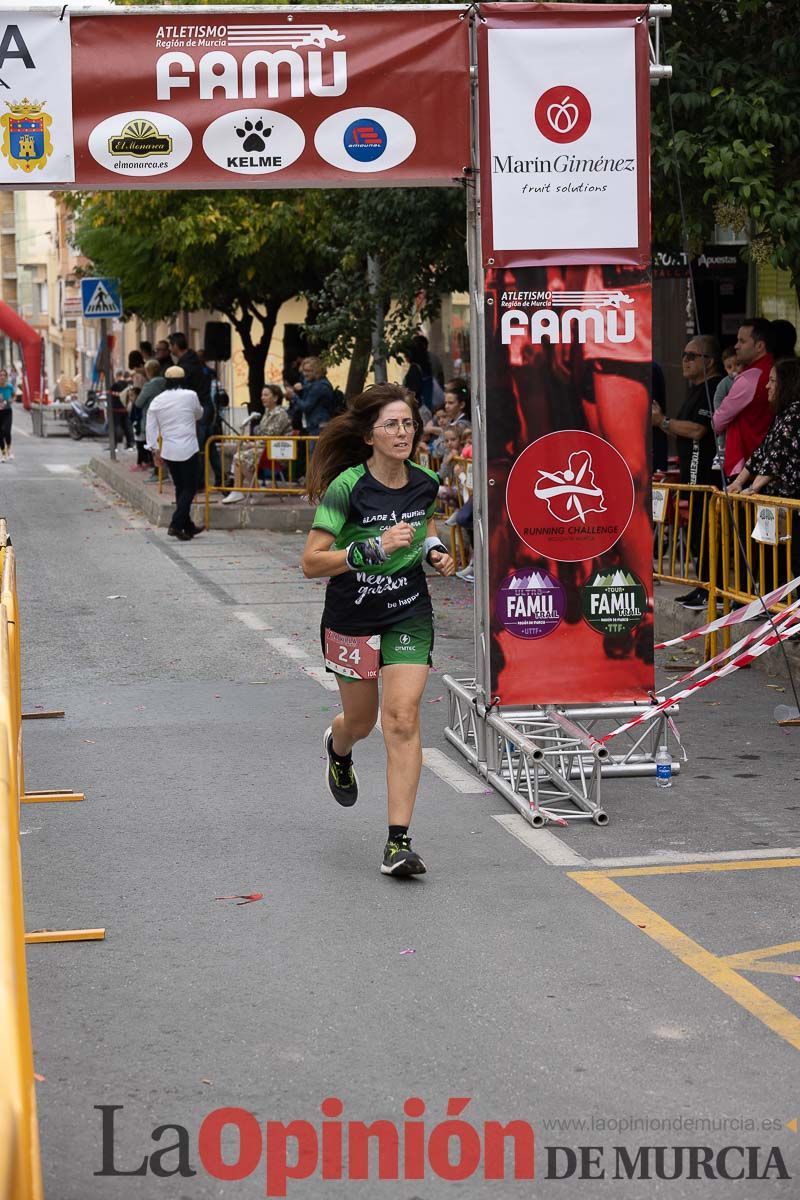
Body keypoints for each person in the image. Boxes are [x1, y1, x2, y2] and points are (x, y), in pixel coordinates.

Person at [301, 383, 455, 877]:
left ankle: (398, 844)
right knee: (362, 722)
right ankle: (338, 746)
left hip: (407, 610)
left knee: (403, 717)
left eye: (408, 423)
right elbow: (310, 562)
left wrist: (433, 550)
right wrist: (371, 549)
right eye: (391, 424)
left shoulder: (426, 481)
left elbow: (424, 524)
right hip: (352, 614)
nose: (403, 431)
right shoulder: (347, 488)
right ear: (369, 434)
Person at [651, 334, 723, 609]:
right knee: (695, 533)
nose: (685, 360)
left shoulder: (712, 387)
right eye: (683, 354)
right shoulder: (694, 390)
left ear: (710, 361)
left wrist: (663, 421)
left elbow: (697, 429)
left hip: (707, 475)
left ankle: (713, 588)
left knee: (706, 531)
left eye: (692, 356)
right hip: (691, 476)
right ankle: (703, 585)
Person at [145, 366, 204, 541]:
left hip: (169, 450)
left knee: (180, 487)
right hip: (189, 448)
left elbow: (151, 427)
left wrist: (154, 450)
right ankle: (176, 524)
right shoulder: (191, 395)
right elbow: (199, 414)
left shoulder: (157, 401)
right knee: (190, 487)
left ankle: (188, 526)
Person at [712, 317, 773, 479]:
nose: (736, 346)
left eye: (742, 341)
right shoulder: (774, 368)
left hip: (745, 465)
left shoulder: (748, 378)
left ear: (759, 346)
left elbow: (717, 422)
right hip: (767, 463)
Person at [0, 368, 14, 461]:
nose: (2, 377)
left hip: (8, 411)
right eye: (1, 375)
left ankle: (9, 449)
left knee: (7, 431)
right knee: (0, 433)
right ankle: (3, 453)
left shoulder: (9, 386)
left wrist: (11, 400)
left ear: (6, 377)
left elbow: (14, 395)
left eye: (4, 375)